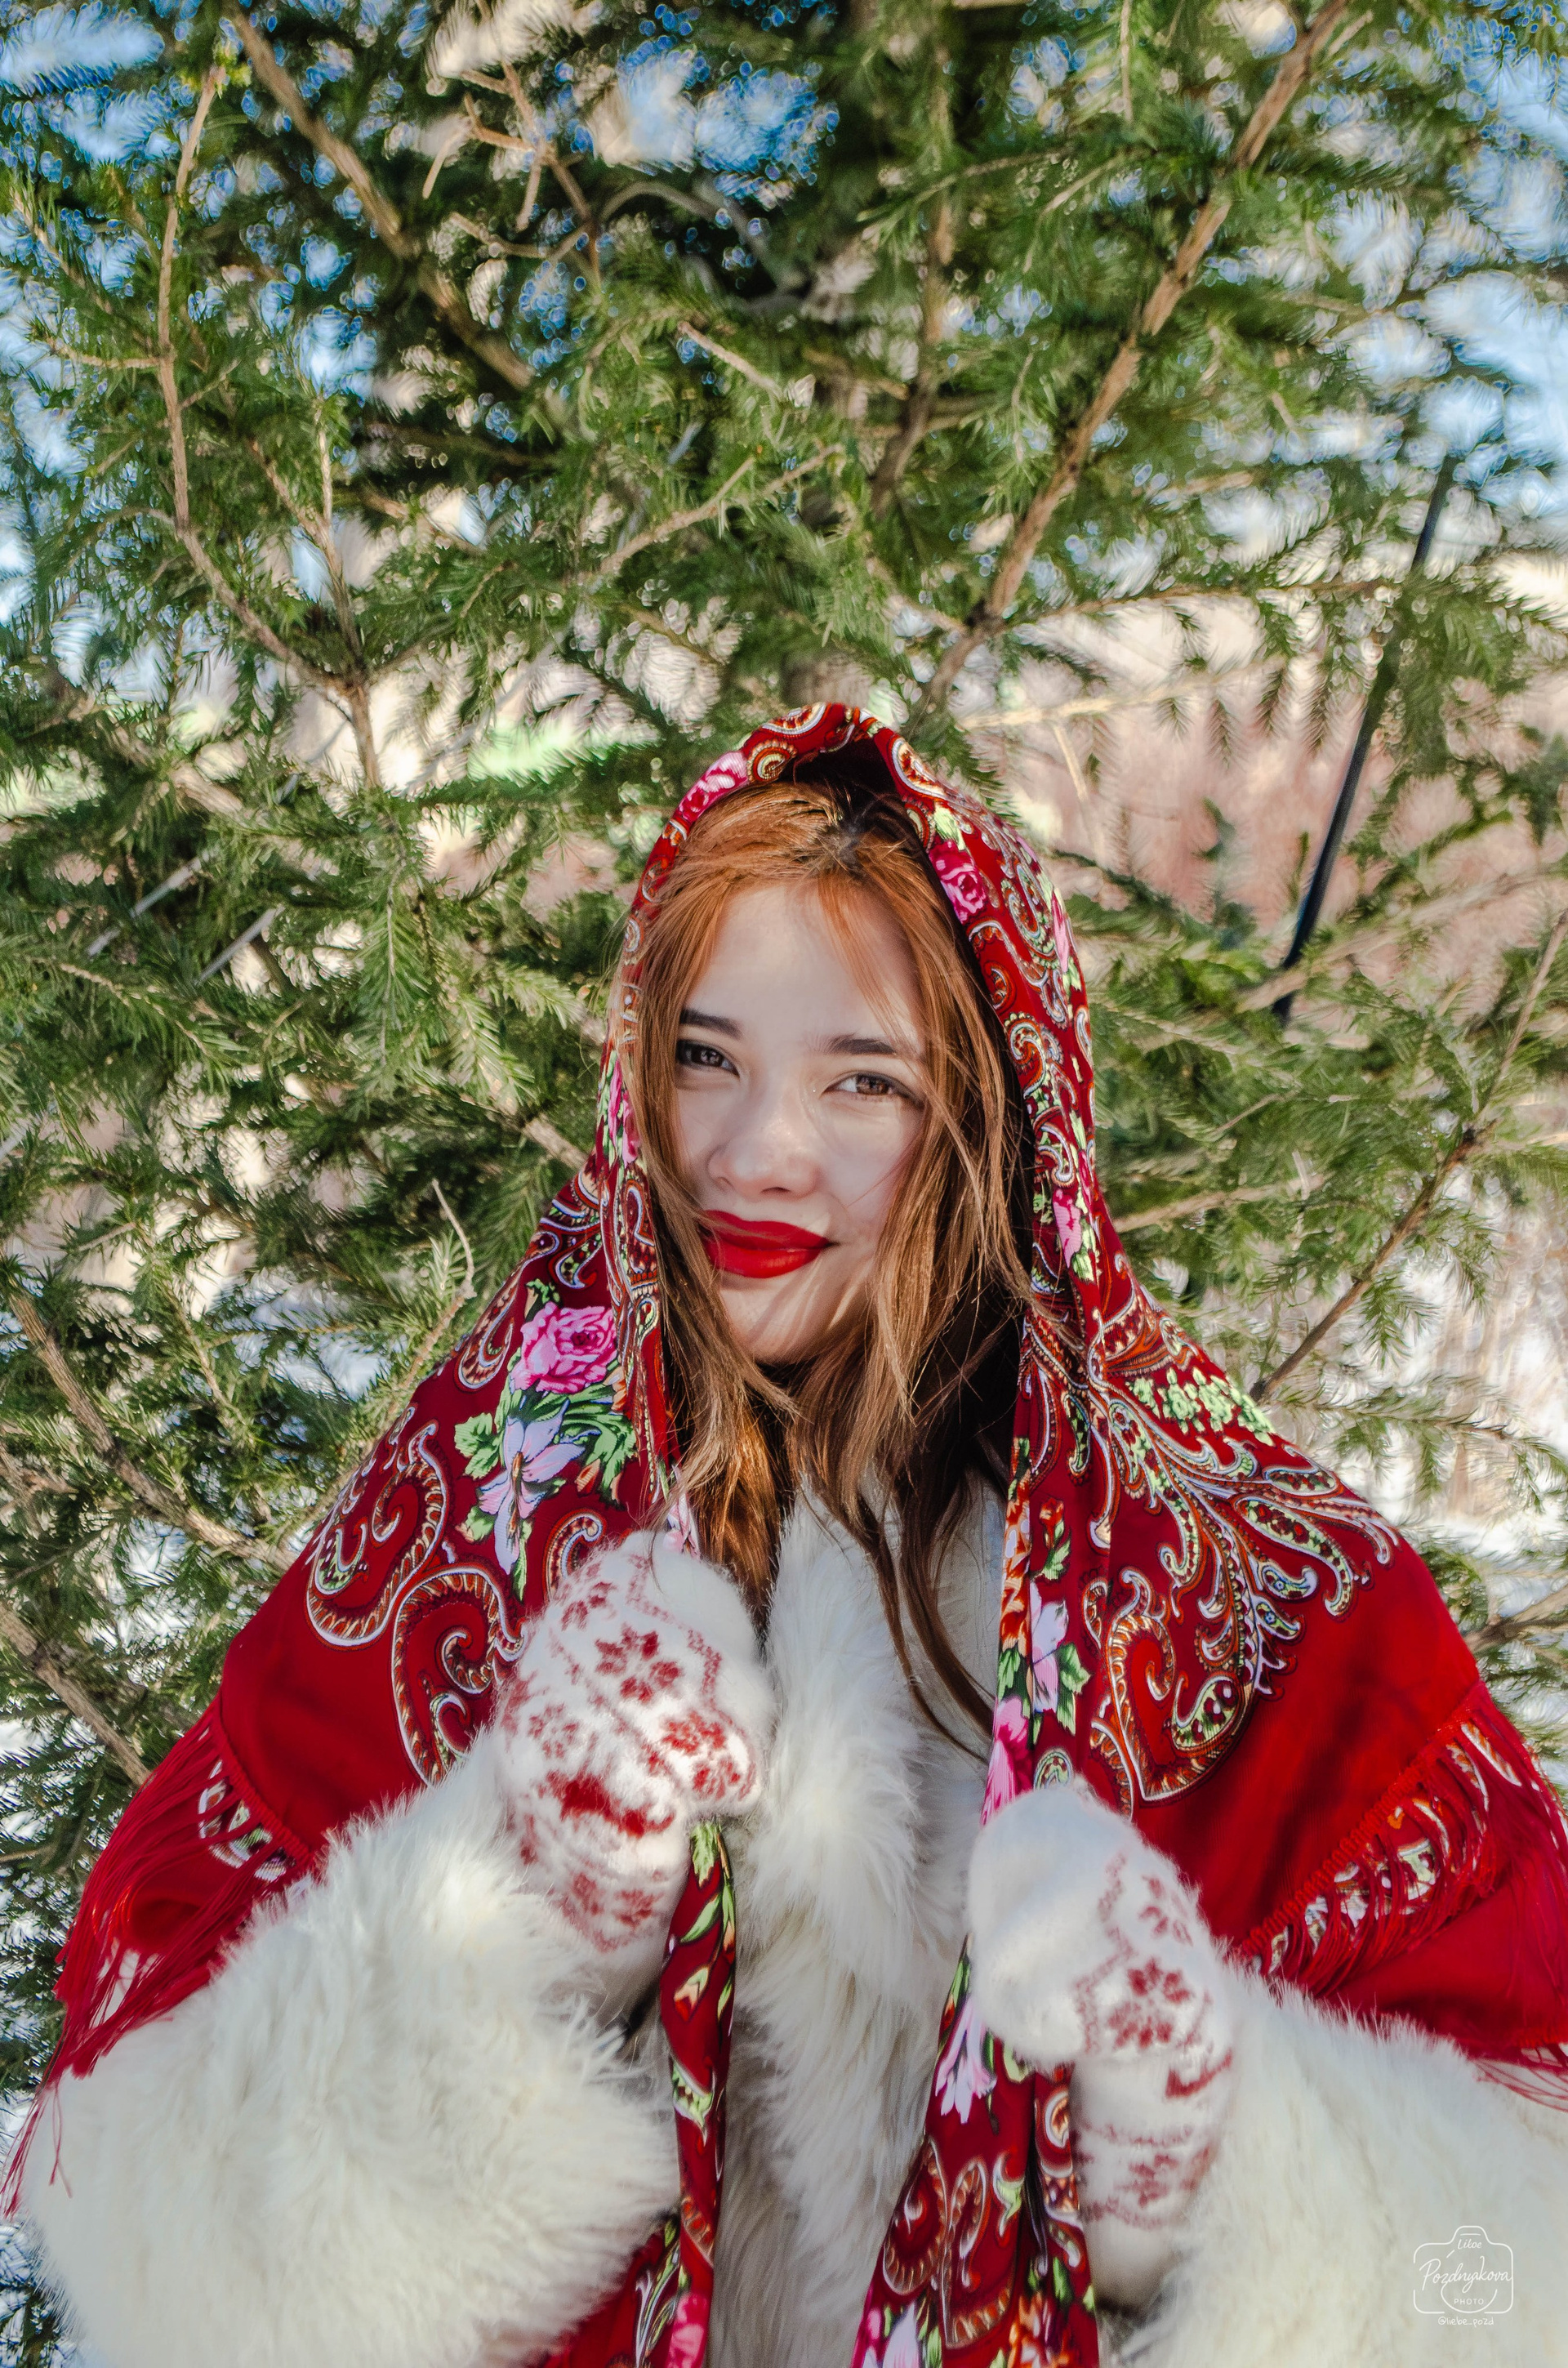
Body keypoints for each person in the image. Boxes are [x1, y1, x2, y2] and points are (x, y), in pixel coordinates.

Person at [12, 706, 1568, 2368]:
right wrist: (522, 1906)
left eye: (861, 1080)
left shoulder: (1252, 1584)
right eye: (706, 1057)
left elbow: (1515, 2282)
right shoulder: (471, 1505)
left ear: (989, 1115)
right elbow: (150, 2237)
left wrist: (1209, 2168)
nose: (757, 1152)